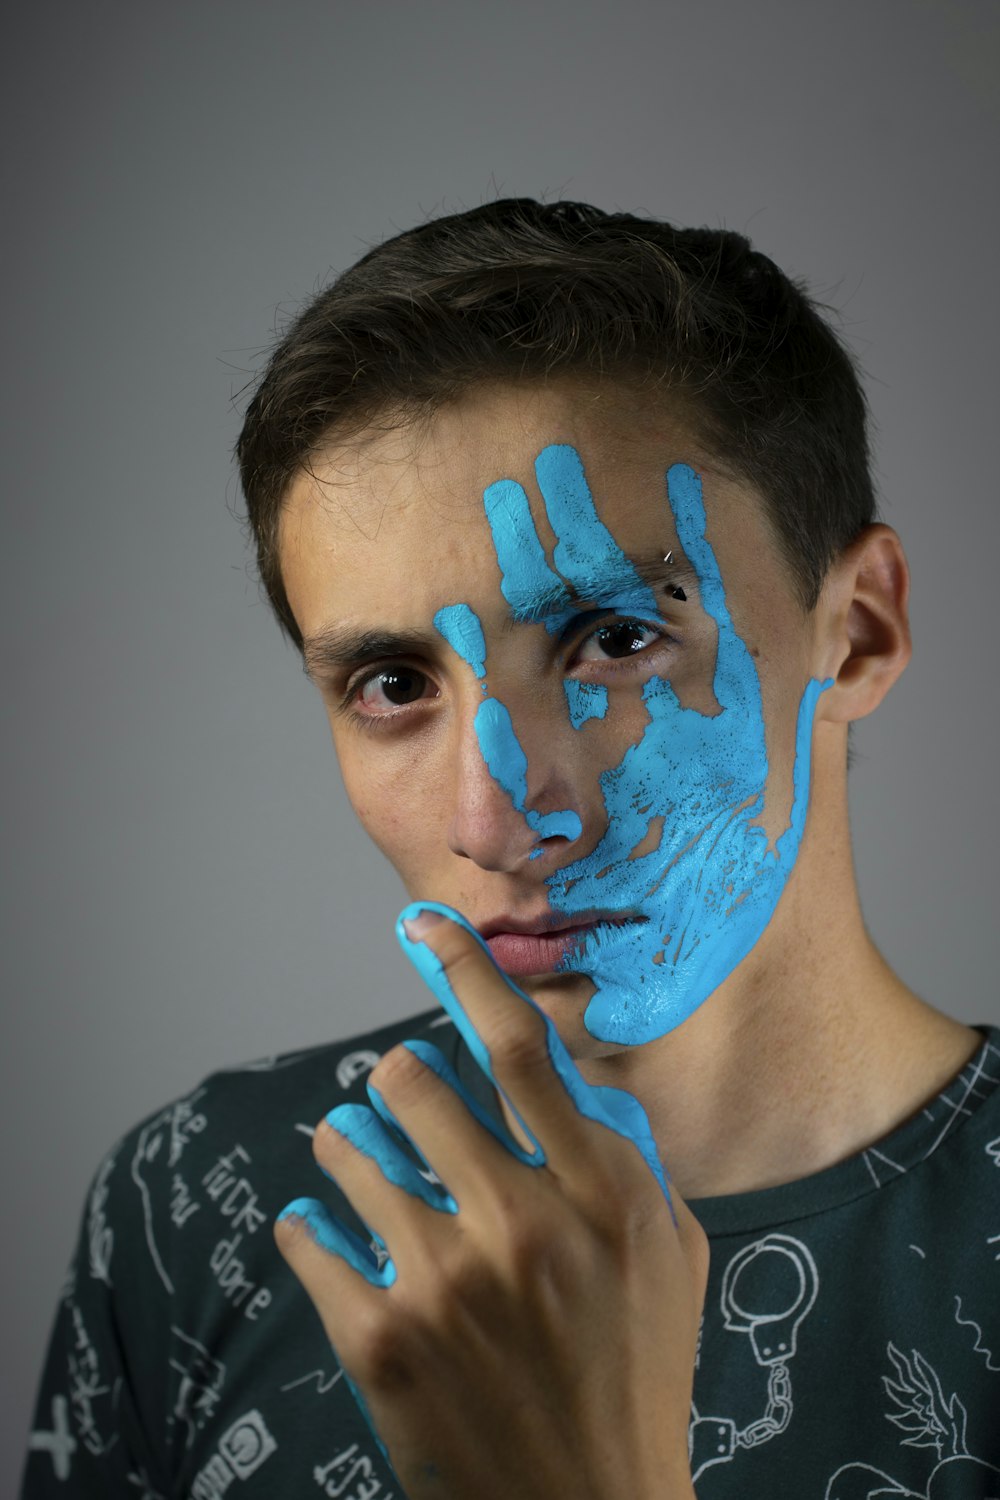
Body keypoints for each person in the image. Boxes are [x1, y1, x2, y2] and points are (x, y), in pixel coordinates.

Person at [21, 199, 999, 1500]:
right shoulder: (201, 1199)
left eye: (614, 639)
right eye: (390, 683)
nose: (493, 817)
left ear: (860, 632)